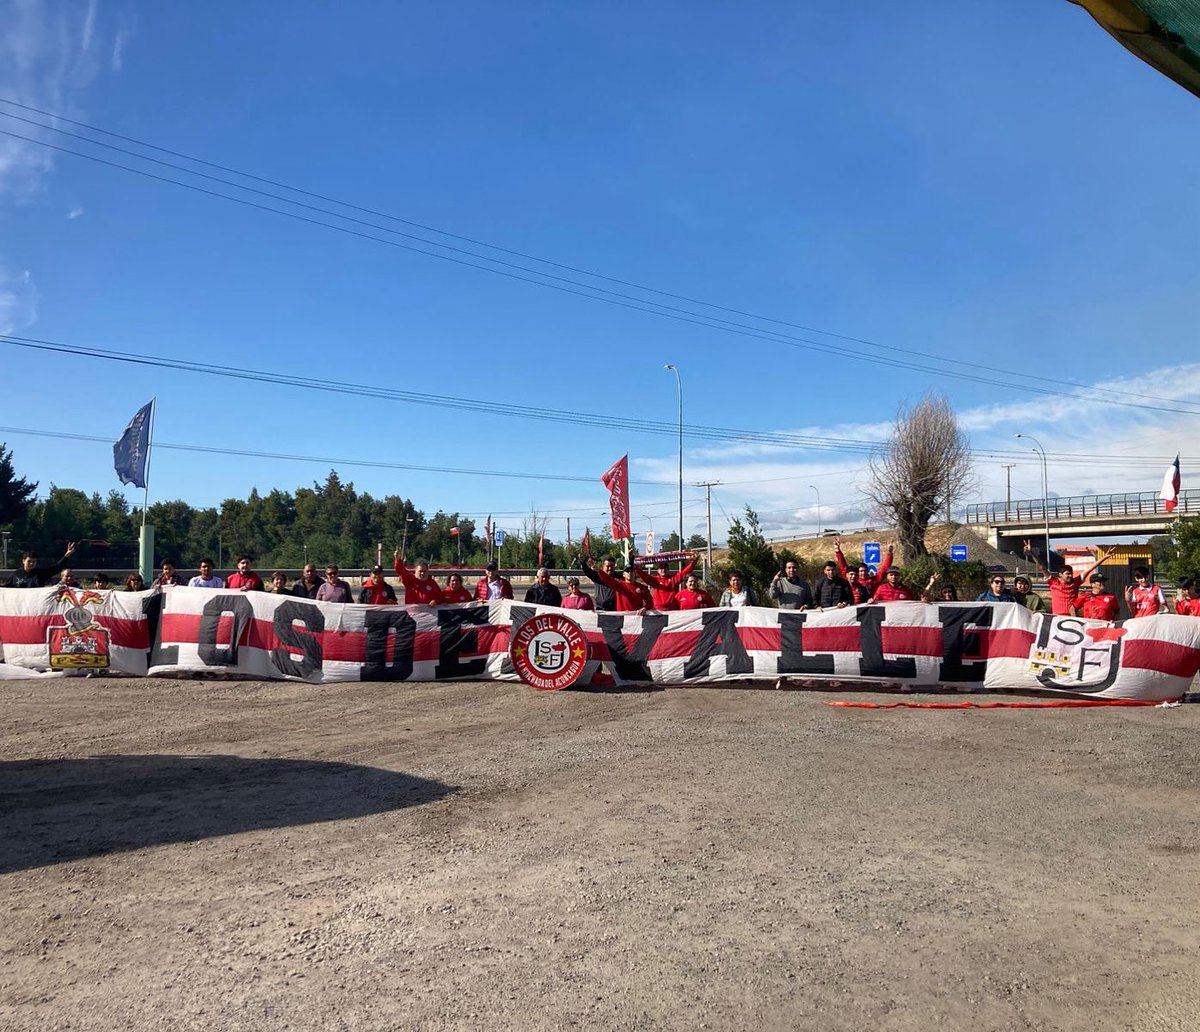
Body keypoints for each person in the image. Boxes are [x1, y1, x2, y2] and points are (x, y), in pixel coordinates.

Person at [1024, 541, 1116, 616]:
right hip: (1057, 619)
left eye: (1071, 574)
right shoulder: (1053, 582)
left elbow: (1090, 568)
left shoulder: (1076, 582)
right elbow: (1041, 567)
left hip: (1072, 619)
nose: (1070, 576)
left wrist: (1104, 557)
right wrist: (1032, 553)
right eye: (1067, 574)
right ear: (1060, 574)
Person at [584, 560, 652, 612]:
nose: (630, 573)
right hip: (621, 619)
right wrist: (599, 571)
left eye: (632, 571)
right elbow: (607, 579)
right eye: (627, 571)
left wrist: (645, 608)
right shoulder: (619, 584)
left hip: (637, 619)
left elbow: (650, 603)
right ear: (623, 574)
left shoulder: (643, 588)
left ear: (635, 573)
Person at [6, 542, 78, 587]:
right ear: (23, 561)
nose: (31, 563)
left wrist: (67, 555)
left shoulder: (41, 574)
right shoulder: (16, 574)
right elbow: (6, 588)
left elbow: (57, 567)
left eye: (34, 561)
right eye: (29, 561)